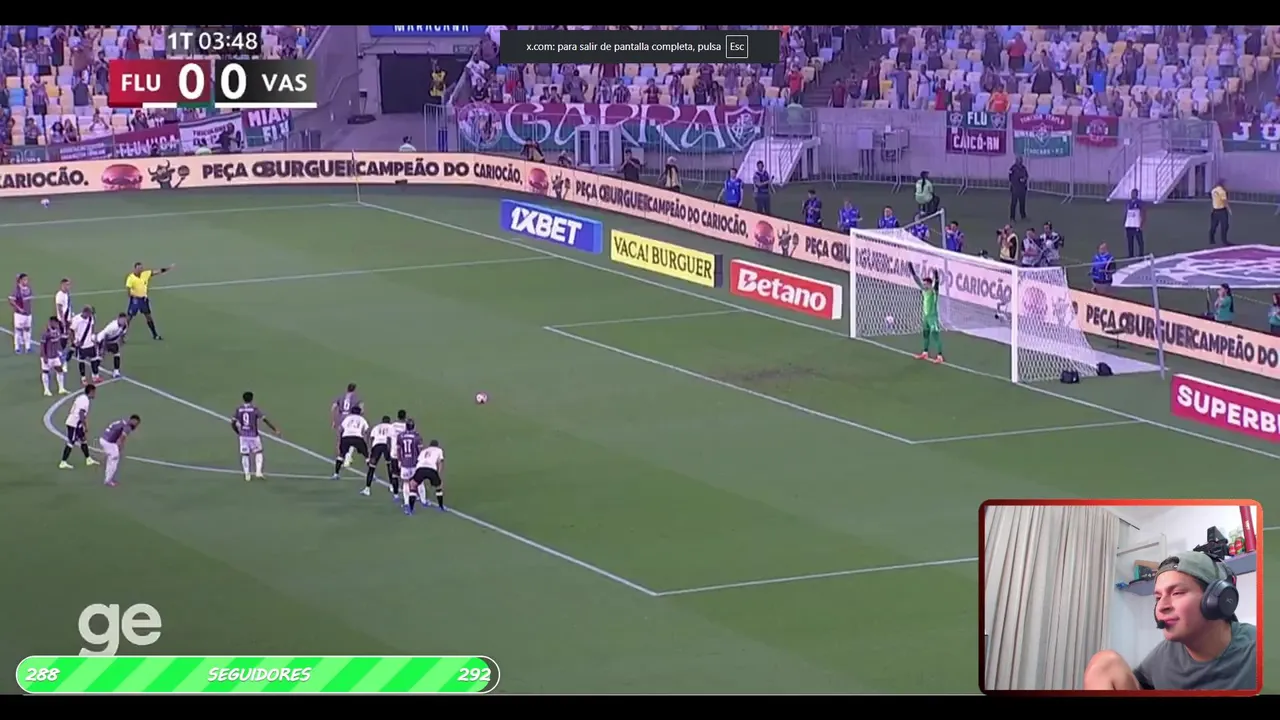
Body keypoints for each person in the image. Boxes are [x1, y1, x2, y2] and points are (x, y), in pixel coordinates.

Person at [1083, 551, 1256, 691]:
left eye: (1177, 593)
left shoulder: (1258, 648)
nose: (1162, 606)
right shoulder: (1163, 656)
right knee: (1105, 663)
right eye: (1158, 597)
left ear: (1217, 598)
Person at [232, 391, 280, 482]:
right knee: (258, 452)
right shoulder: (254, 409)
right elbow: (264, 420)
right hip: (253, 435)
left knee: (245, 454)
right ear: (252, 399)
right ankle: (258, 472)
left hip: (243, 436)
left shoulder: (239, 409)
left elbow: (233, 422)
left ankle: (247, 474)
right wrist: (274, 429)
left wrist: (237, 432)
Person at [125, 262, 173, 340]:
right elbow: (128, 289)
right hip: (135, 300)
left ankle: (155, 335)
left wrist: (168, 268)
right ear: (135, 269)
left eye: (141, 268)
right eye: (139, 268)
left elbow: (157, 272)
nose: (140, 270)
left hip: (143, 299)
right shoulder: (130, 277)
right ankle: (121, 335)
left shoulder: (145, 274)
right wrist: (131, 297)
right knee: (129, 318)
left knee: (148, 317)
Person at [908, 263, 944, 364]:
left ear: (929, 284)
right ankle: (925, 353)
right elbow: (917, 280)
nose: (923, 285)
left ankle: (940, 356)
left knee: (935, 335)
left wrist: (936, 277)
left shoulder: (933, 292)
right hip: (926, 317)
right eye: (923, 284)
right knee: (925, 334)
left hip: (933, 317)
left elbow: (936, 286)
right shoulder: (924, 291)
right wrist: (911, 270)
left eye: (925, 284)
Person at [58, 383, 98, 469]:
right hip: (74, 424)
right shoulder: (85, 401)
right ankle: (63, 462)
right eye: (94, 392)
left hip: (76, 424)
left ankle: (88, 459)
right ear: (91, 392)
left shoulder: (81, 397)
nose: (95, 394)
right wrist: (85, 426)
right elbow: (81, 414)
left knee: (83, 440)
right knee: (71, 442)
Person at [99, 414, 142, 487]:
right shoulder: (128, 427)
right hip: (108, 442)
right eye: (136, 423)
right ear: (133, 420)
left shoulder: (122, 421)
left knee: (112, 457)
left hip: (103, 438)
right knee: (114, 459)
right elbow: (121, 439)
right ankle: (108, 480)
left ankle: (108, 475)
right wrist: (120, 449)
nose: (136, 426)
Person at [333, 406, 369, 479]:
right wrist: (364, 441)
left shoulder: (348, 418)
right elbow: (366, 430)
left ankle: (336, 474)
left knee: (341, 455)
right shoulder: (362, 419)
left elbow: (340, 429)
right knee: (367, 456)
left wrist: (340, 439)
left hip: (346, 437)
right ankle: (372, 474)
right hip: (357, 437)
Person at [331, 383, 362, 467]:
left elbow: (333, 407)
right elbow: (361, 409)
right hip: (350, 419)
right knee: (352, 437)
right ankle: (348, 457)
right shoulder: (356, 398)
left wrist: (334, 420)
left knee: (341, 439)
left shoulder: (341, 397)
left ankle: (340, 457)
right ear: (354, 389)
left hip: (341, 418)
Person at [364, 414, 396, 496]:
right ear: (389, 421)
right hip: (386, 446)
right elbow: (389, 438)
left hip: (377, 446)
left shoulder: (376, 427)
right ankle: (392, 486)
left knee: (372, 467)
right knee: (389, 466)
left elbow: (371, 438)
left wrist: (371, 449)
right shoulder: (391, 427)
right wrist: (390, 450)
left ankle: (367, 489)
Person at [68, 306, 101, 385]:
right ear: (85, 312)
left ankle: (95, 376)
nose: (90, 315)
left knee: (94, 359)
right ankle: (83, 378)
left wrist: (93, 338)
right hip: (81, 345)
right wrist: (74, 341)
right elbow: (71, 331)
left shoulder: (90, 318)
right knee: (82, 361)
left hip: (90, 343)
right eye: (89, 313)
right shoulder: (76, 320)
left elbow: (92, 328)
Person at [412, 439, 446, 512]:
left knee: (413, 485)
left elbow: (418, 461)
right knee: (439, 486)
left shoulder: (424, 450)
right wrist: (438, 474)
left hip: (420, 469)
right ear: (437, 445)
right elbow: (440, 462)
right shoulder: (439, 450)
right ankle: (441, 507)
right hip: (431, 469)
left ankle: (410, 509)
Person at [39, 316, 69, 396]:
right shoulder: (46, 333)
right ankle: (46, 390)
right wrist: (44, 356)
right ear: (51, 322)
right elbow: (42, 345)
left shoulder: (57, 331)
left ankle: (61, 388)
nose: (56, 324)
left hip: (55, 356)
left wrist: (60, 351)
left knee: (60, 370)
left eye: (56, 323)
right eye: (54, 323)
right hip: (47, 356)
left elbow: (57, 342)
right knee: (46, 372)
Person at [94, 312, 129, 379]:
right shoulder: (113, 326)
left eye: (124, 320)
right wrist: (103, 349)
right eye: (122, 320)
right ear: (118, 319)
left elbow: (122, 333)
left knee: (117, 354)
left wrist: (121, 341)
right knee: (100, 356)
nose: (123, 321)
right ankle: (95, 372)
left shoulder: (124, 326)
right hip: (102, 340)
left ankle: (116, 372)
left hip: (112, 341)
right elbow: (105, 337)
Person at [9, 272, 33, 354]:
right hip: (19, 314)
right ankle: (17, 347)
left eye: (27, 279)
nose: (26, 281)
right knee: (18, 331)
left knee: (27, 330)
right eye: (24, 279)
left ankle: (28, 347)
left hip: (28, 314)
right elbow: (11, 300)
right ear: (21, 280)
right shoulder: (16, 290)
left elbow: (29, 301)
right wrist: (19, 308)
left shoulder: (29, 289)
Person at [1124, 189, 1146, 257]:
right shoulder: (1128, 202)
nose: (1132, 194)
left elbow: (1143, 212)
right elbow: (1127, 213)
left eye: (1134, 193)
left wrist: (1141, 224)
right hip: (1129, 225)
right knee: (1130, 242)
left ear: (1137, 194)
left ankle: (1141, 255)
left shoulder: (1140, 203)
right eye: (1132, 193)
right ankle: (1131, 256)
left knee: (1140, 242)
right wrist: (1125, 222)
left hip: (1136, 225)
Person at [1209, 178, 1230, 246]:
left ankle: (1211, 240)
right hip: (1222, 210)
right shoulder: (1222, 191)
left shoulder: (1213, 190)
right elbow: (1224, 201)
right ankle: (1224, 240)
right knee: (1225, 225)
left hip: (1215, 210)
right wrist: (1229, 209)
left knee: (1213, 226)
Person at [1008, 157, 1029, 221]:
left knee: (1022, 203)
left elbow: (1026, 176)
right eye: (1019, 160)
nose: (1020, 162)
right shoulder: (1013, 168)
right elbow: (1010, 176)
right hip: (1015, 188)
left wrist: (1024, 179)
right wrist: (1016, 181)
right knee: (1014, 203)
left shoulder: (1023, 168)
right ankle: (1012, 217)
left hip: (1022, 188)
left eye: (1021, 160)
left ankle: (1023, 215)